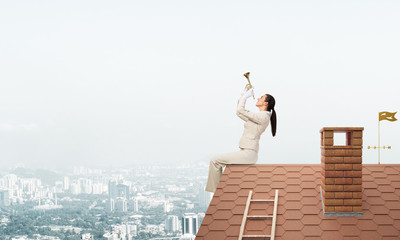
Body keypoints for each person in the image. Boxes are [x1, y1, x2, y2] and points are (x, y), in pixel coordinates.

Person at [205, 85, 277, 193]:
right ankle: (218, 191)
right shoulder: (259, 117)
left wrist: (246, 97)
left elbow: (241, 109)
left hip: (249, 153)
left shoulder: (263, 117)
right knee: (216, 161)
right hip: (246, 152)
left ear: (266, 103)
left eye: (261, 98)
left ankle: (216, 192)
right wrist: (243, 95)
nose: (258, 98)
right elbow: (239, 112)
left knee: (215, 161)